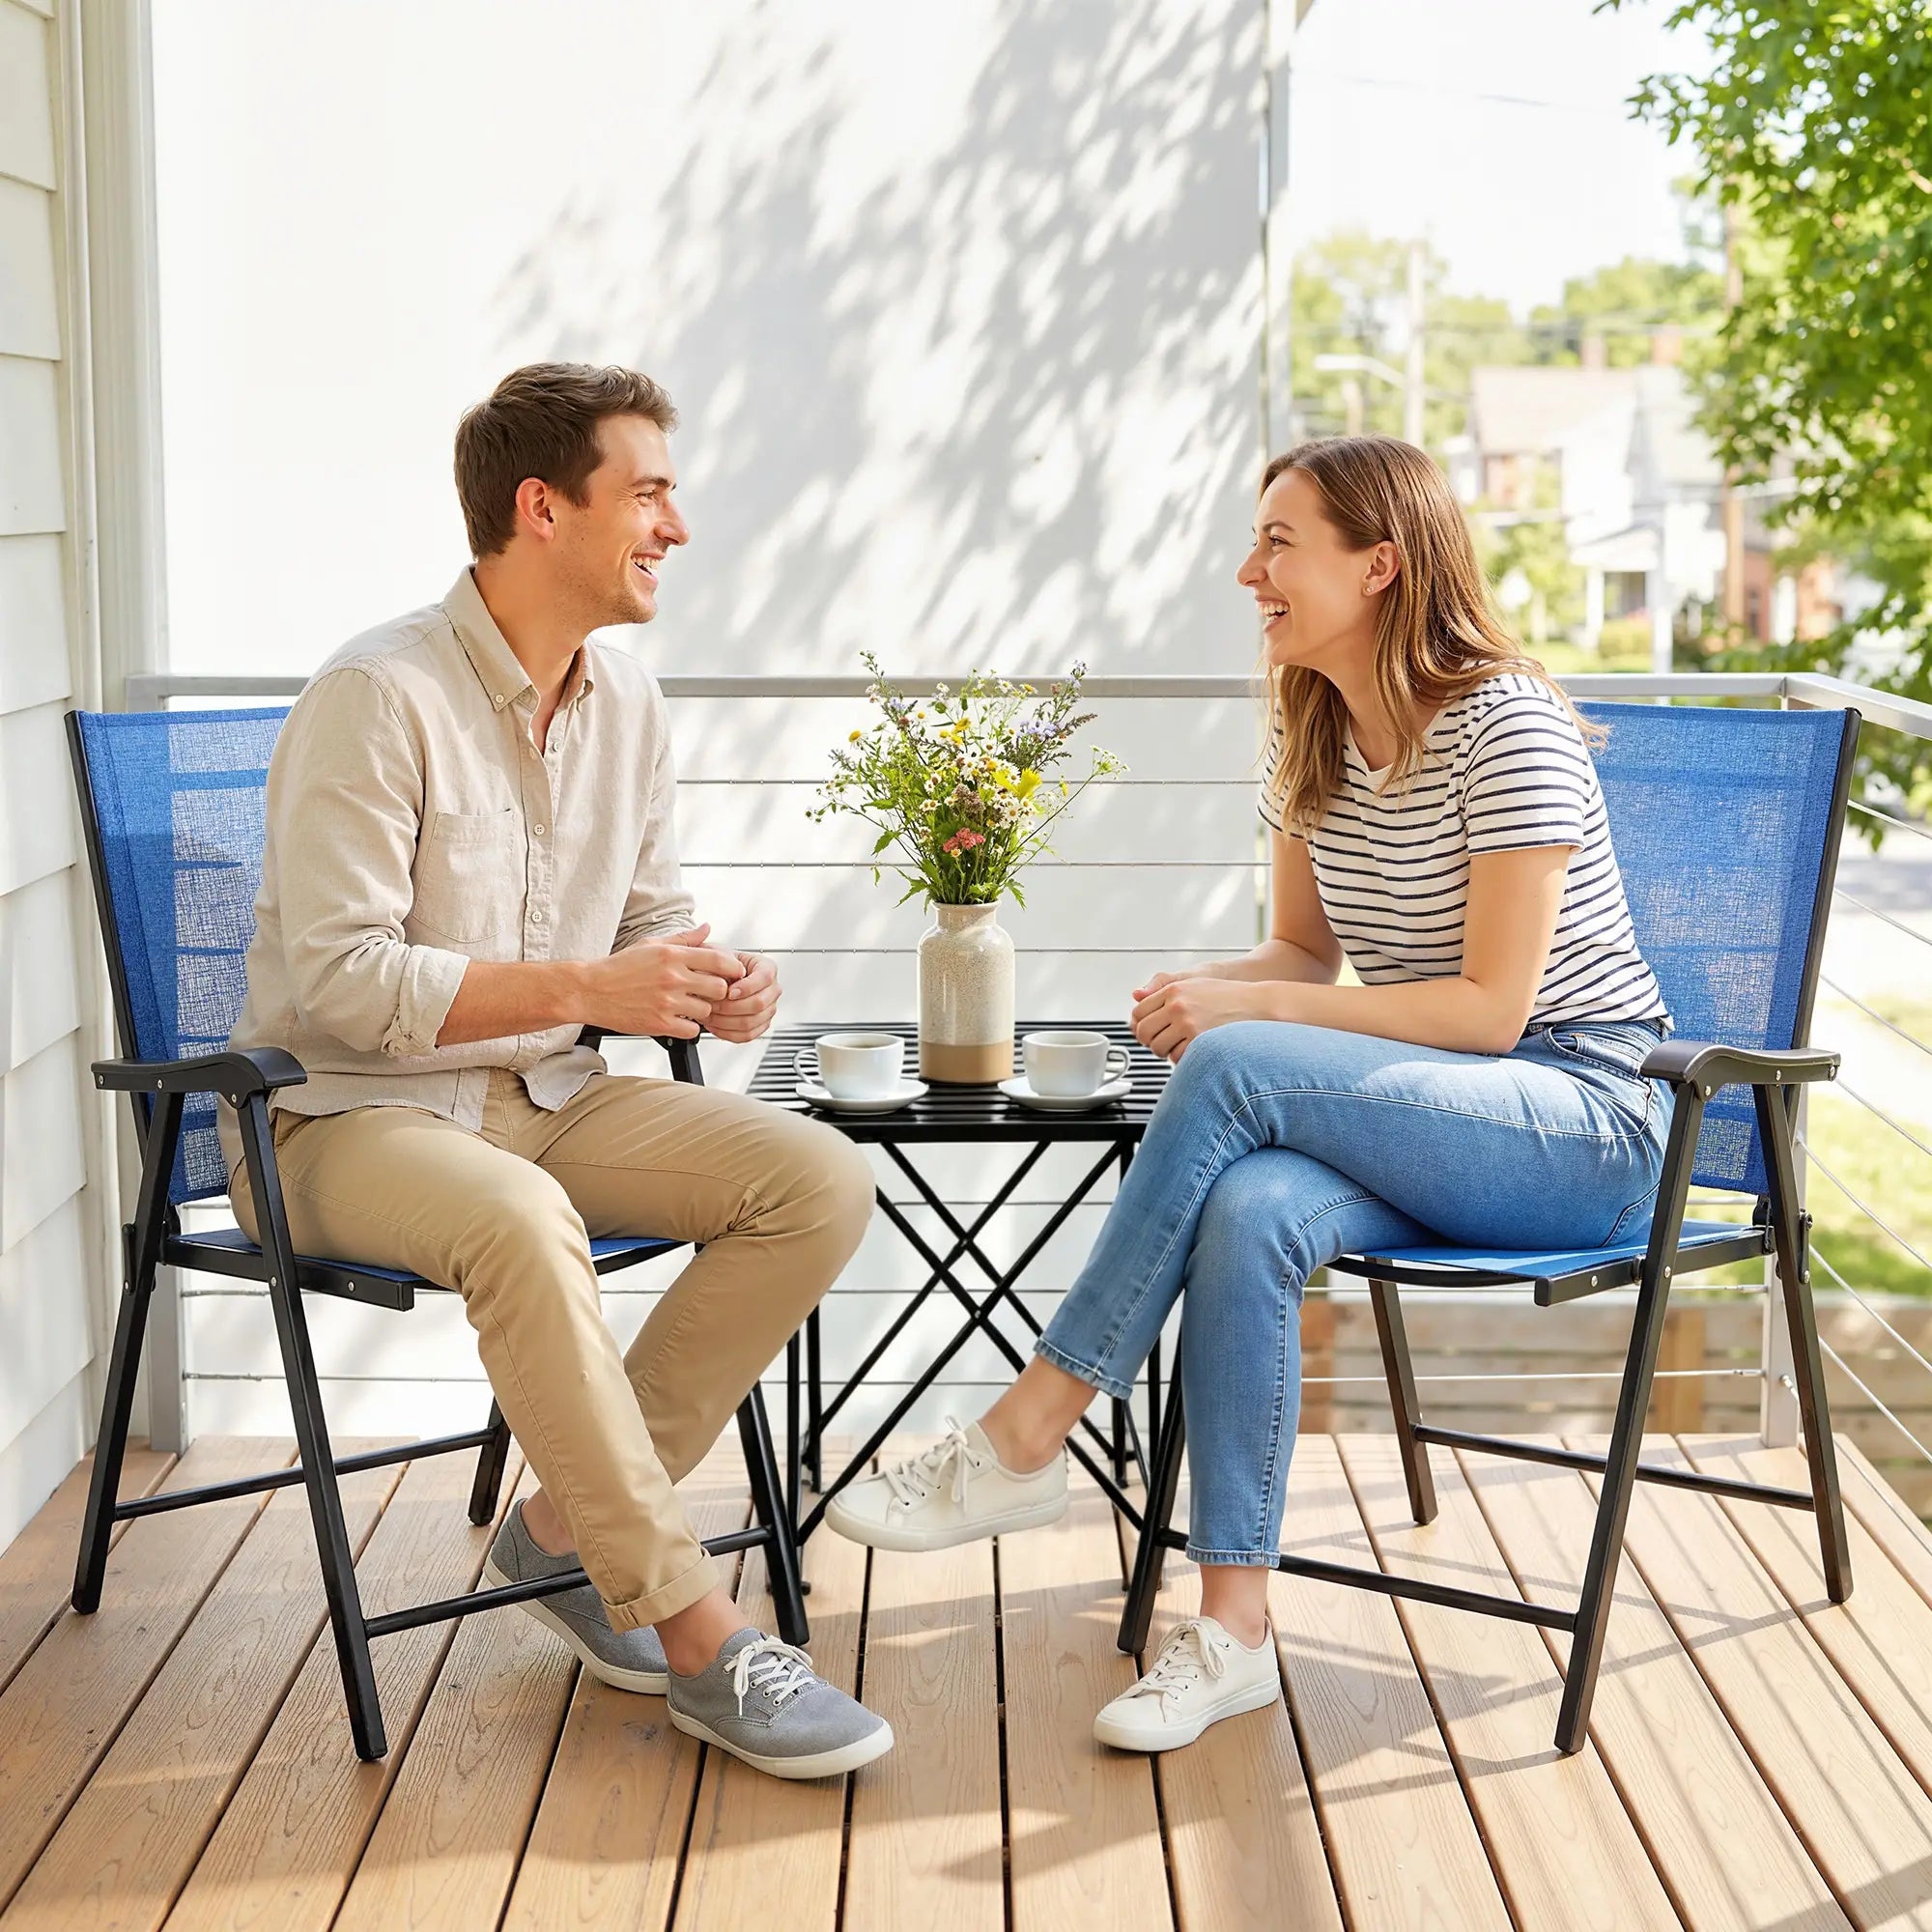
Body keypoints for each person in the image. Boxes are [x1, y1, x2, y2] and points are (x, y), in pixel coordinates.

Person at [827, 434, 1671, 1755]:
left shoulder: (1509, 727)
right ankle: (1234, 1634)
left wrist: (1246, 1025)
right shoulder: (1311, 728)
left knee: (1234, 1064)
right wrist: (1204, 989)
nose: (1248, 572)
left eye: (1280, 544)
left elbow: (1489, 1012)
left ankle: (1029, 1431)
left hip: (1583, 1122)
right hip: (1430, 1108)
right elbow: (1302, 959)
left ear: (1379, 565)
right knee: (1252, 1209)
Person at [219, 362, 892, 1781]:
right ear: (543, 507)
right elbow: (344, 984)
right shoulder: (376, 696)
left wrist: (707, 976)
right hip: (342, 1121)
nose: (677, 526)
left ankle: (562, 1536)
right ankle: (698, 1635)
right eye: (648, 494)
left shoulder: (626, 701)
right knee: (523, 1221)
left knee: (817, 1180)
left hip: (546, 1101)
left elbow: (644, 922)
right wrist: (589, 990)